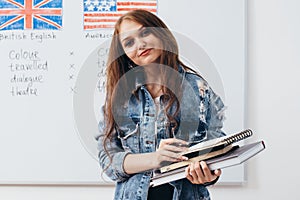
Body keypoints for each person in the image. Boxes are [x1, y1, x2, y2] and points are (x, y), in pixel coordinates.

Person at [96, 9, 226, 200]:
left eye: (145, 32)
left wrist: (207, 175)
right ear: (124, 53)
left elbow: (215, 146)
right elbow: (108, 160)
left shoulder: (198, 88)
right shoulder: (119, 96)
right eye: (129, 42)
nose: (140, 44)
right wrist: (156, 159)